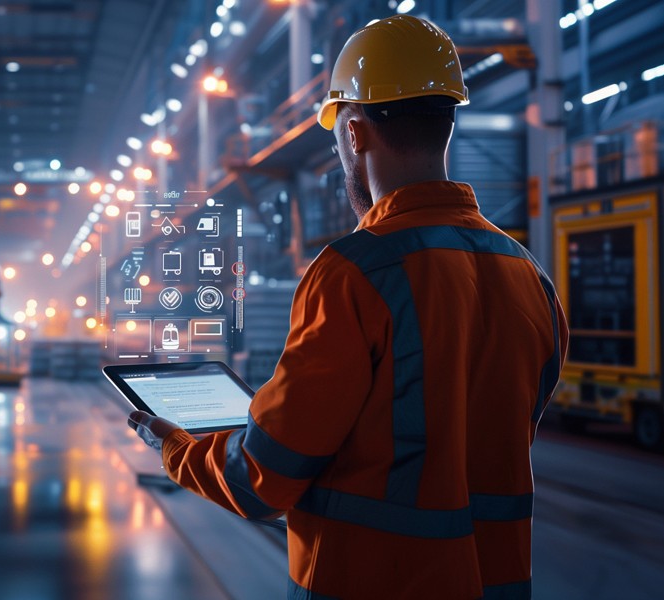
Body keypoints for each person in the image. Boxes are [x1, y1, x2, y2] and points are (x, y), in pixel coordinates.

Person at [128, 15, 569, 600]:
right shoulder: (527, 275)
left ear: (355, 132)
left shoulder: (355, 273)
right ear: (448, 122)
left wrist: (176, 447)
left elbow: (263, 481)